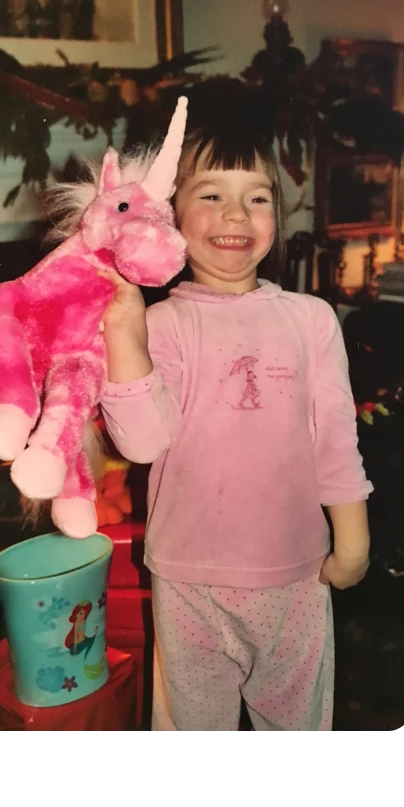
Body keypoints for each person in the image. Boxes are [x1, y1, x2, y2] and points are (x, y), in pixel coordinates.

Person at [97, 123, 372, 731]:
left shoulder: (311, 319)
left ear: (278, 213)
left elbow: (335, 440)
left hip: (295, 575)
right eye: (212, 194)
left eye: (258, 196)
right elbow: (140, 441)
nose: (237, 214)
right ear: (170, 216)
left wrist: (351, 543)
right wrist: (123, 329)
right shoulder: (159, 325)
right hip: (187, 577)